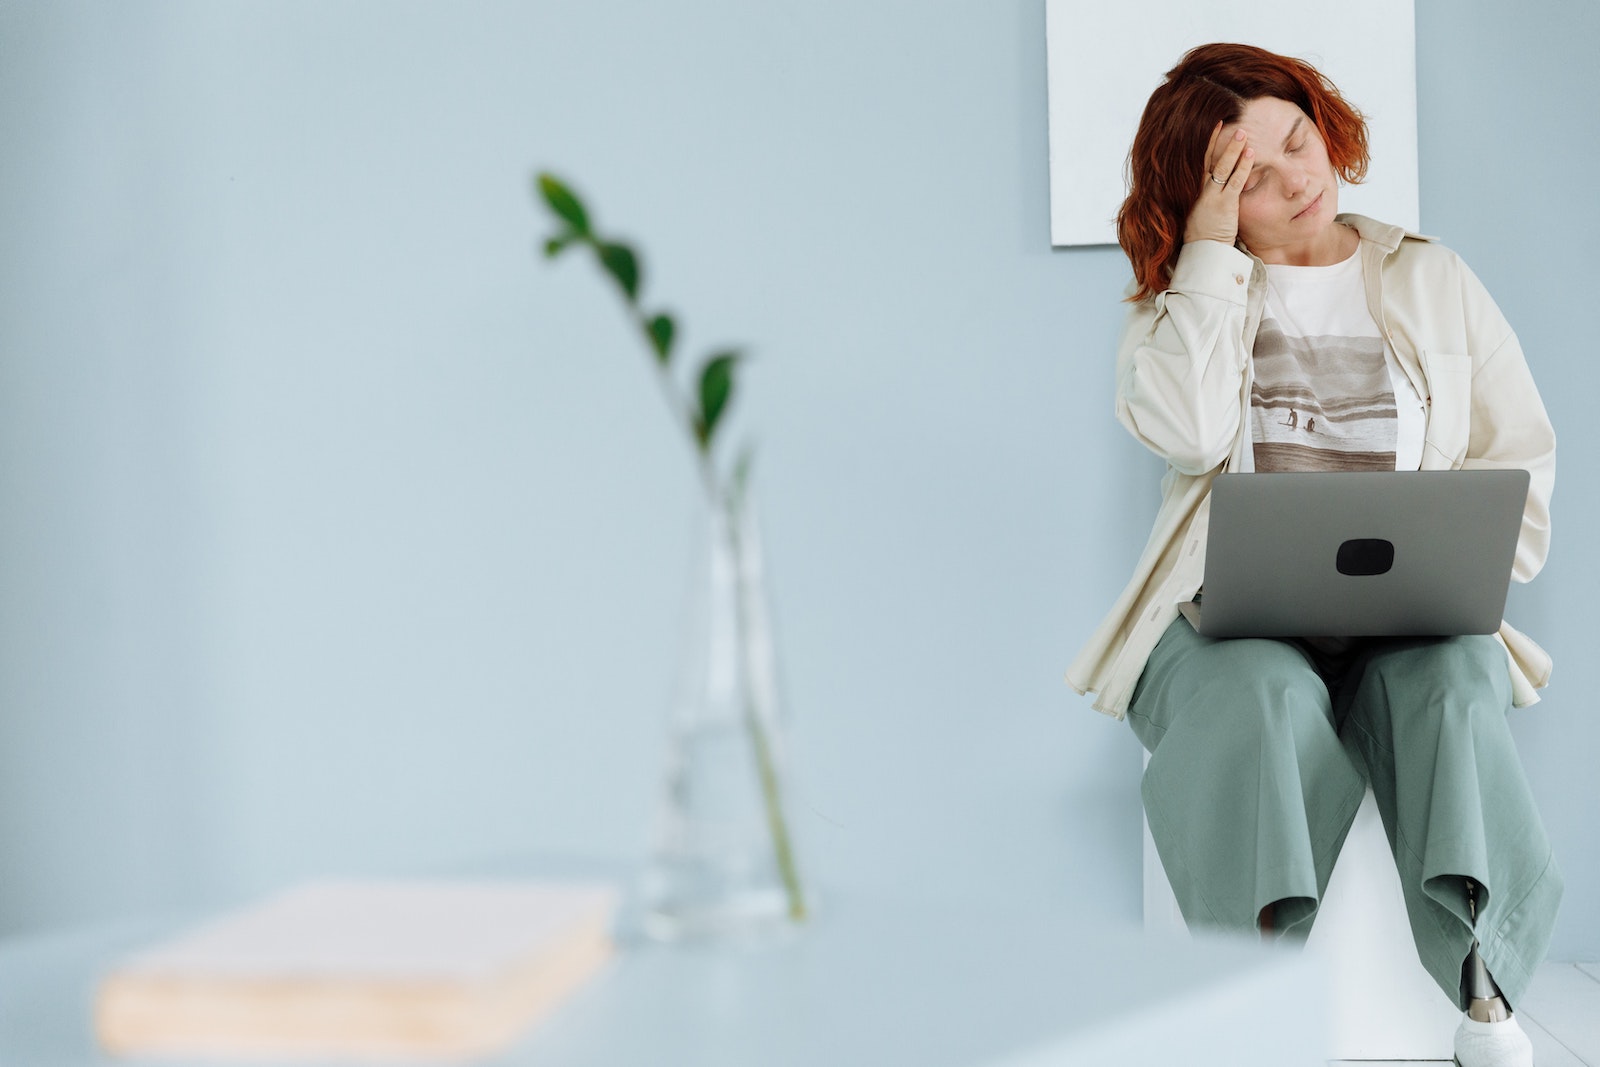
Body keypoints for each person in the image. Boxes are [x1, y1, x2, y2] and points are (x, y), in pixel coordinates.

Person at [1065, 42, 1560, 1067]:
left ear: (1322, 120)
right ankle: (1254, 993)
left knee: (1456, 681)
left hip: (1409, 618)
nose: (1297, 179)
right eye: (1249, 179)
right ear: (1207, 201)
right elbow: (1192, 432)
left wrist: (1465, 564)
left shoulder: (1431, 277)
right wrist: (1209, 259)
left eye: (1297, 140)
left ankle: (1481, 987)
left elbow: (1519, 453)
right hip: (1227, 628)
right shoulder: (1174, 311)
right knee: (1260, 697)